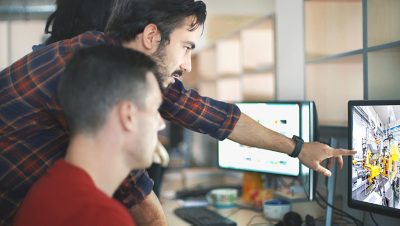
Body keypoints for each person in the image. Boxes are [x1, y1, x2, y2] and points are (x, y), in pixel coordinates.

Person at [0, 0, 355, 225]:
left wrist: (297, 148)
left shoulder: (129, 65)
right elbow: (129, 180)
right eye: (186, 47)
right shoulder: (90, 71)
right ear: (152, 36)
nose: (187, 64)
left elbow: (212, 115)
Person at [13, 45, 165, 226]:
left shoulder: (43, 191)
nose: (161, 123)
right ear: (128, 116)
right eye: (155, 109)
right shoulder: (102, 217)